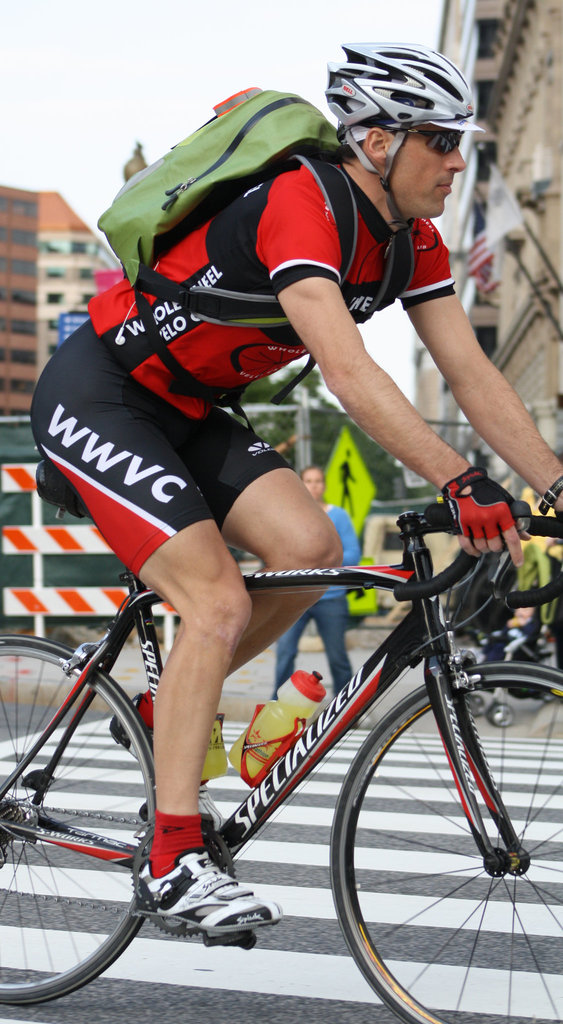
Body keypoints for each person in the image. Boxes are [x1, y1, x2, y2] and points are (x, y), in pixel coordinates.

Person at [30, 42, 563, 941]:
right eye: (437, 139)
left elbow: (468, 370)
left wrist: (552, 481)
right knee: (212, 600)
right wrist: (461, 476)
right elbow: (348, 372)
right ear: (377, 140)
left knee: (315, 554)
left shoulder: (411, 242)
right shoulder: (302, 203)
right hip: (103, 393)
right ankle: (169, 862)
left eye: (459, 140)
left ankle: (165, 712)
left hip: (192, 409)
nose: (455, 160)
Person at [272, 466, 361, 698]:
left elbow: (353, 554)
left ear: (324, 485)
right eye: (309, 481)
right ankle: (277, 703)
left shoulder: (339, 516)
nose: (314, 485)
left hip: (331, 598)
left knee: (337, 656)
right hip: (296, 597)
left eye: (318, 481)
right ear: (301, 485)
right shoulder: (289, 516)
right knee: (285, 652)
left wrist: (317, 558)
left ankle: (346, 706)